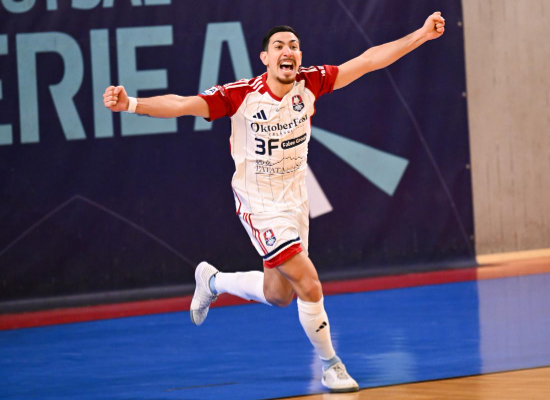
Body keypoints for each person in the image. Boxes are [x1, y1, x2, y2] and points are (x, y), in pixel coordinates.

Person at [103, 12, 445, 392]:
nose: (288, 51)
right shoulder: (240, 96)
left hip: (296, 201)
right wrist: (131, 104)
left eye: (294, 46)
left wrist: (420, 35)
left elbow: (367, 61)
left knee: (279, 295)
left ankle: (212, 280)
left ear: (299, 57)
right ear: (265, 58)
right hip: (260, 205)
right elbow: (182, 104)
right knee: (309, 284)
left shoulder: (310, 83)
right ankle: (331, 365)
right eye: (279, 46)